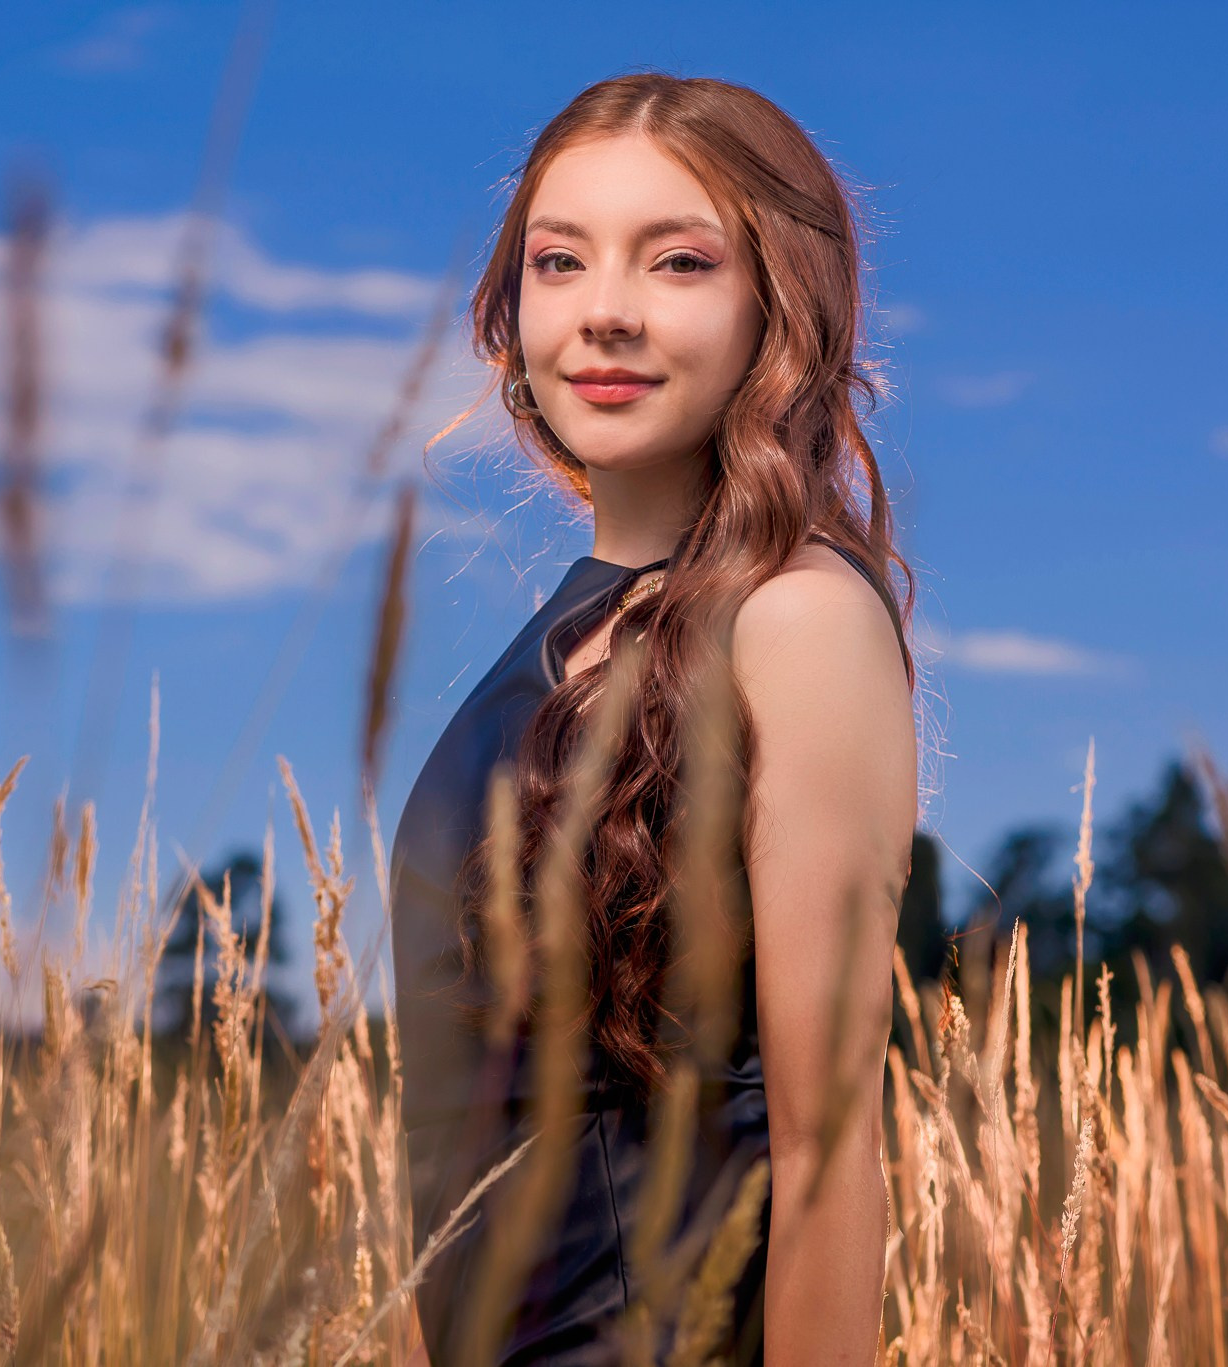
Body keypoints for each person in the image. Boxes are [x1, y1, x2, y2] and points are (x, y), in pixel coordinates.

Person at [388, 70, 920, 1366]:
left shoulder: (796, 619)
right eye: (559, 261)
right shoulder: (564, 636)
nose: (605, 313)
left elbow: (827, 1147)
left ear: (775, 308)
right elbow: (455, 1145)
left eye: (678, 263)